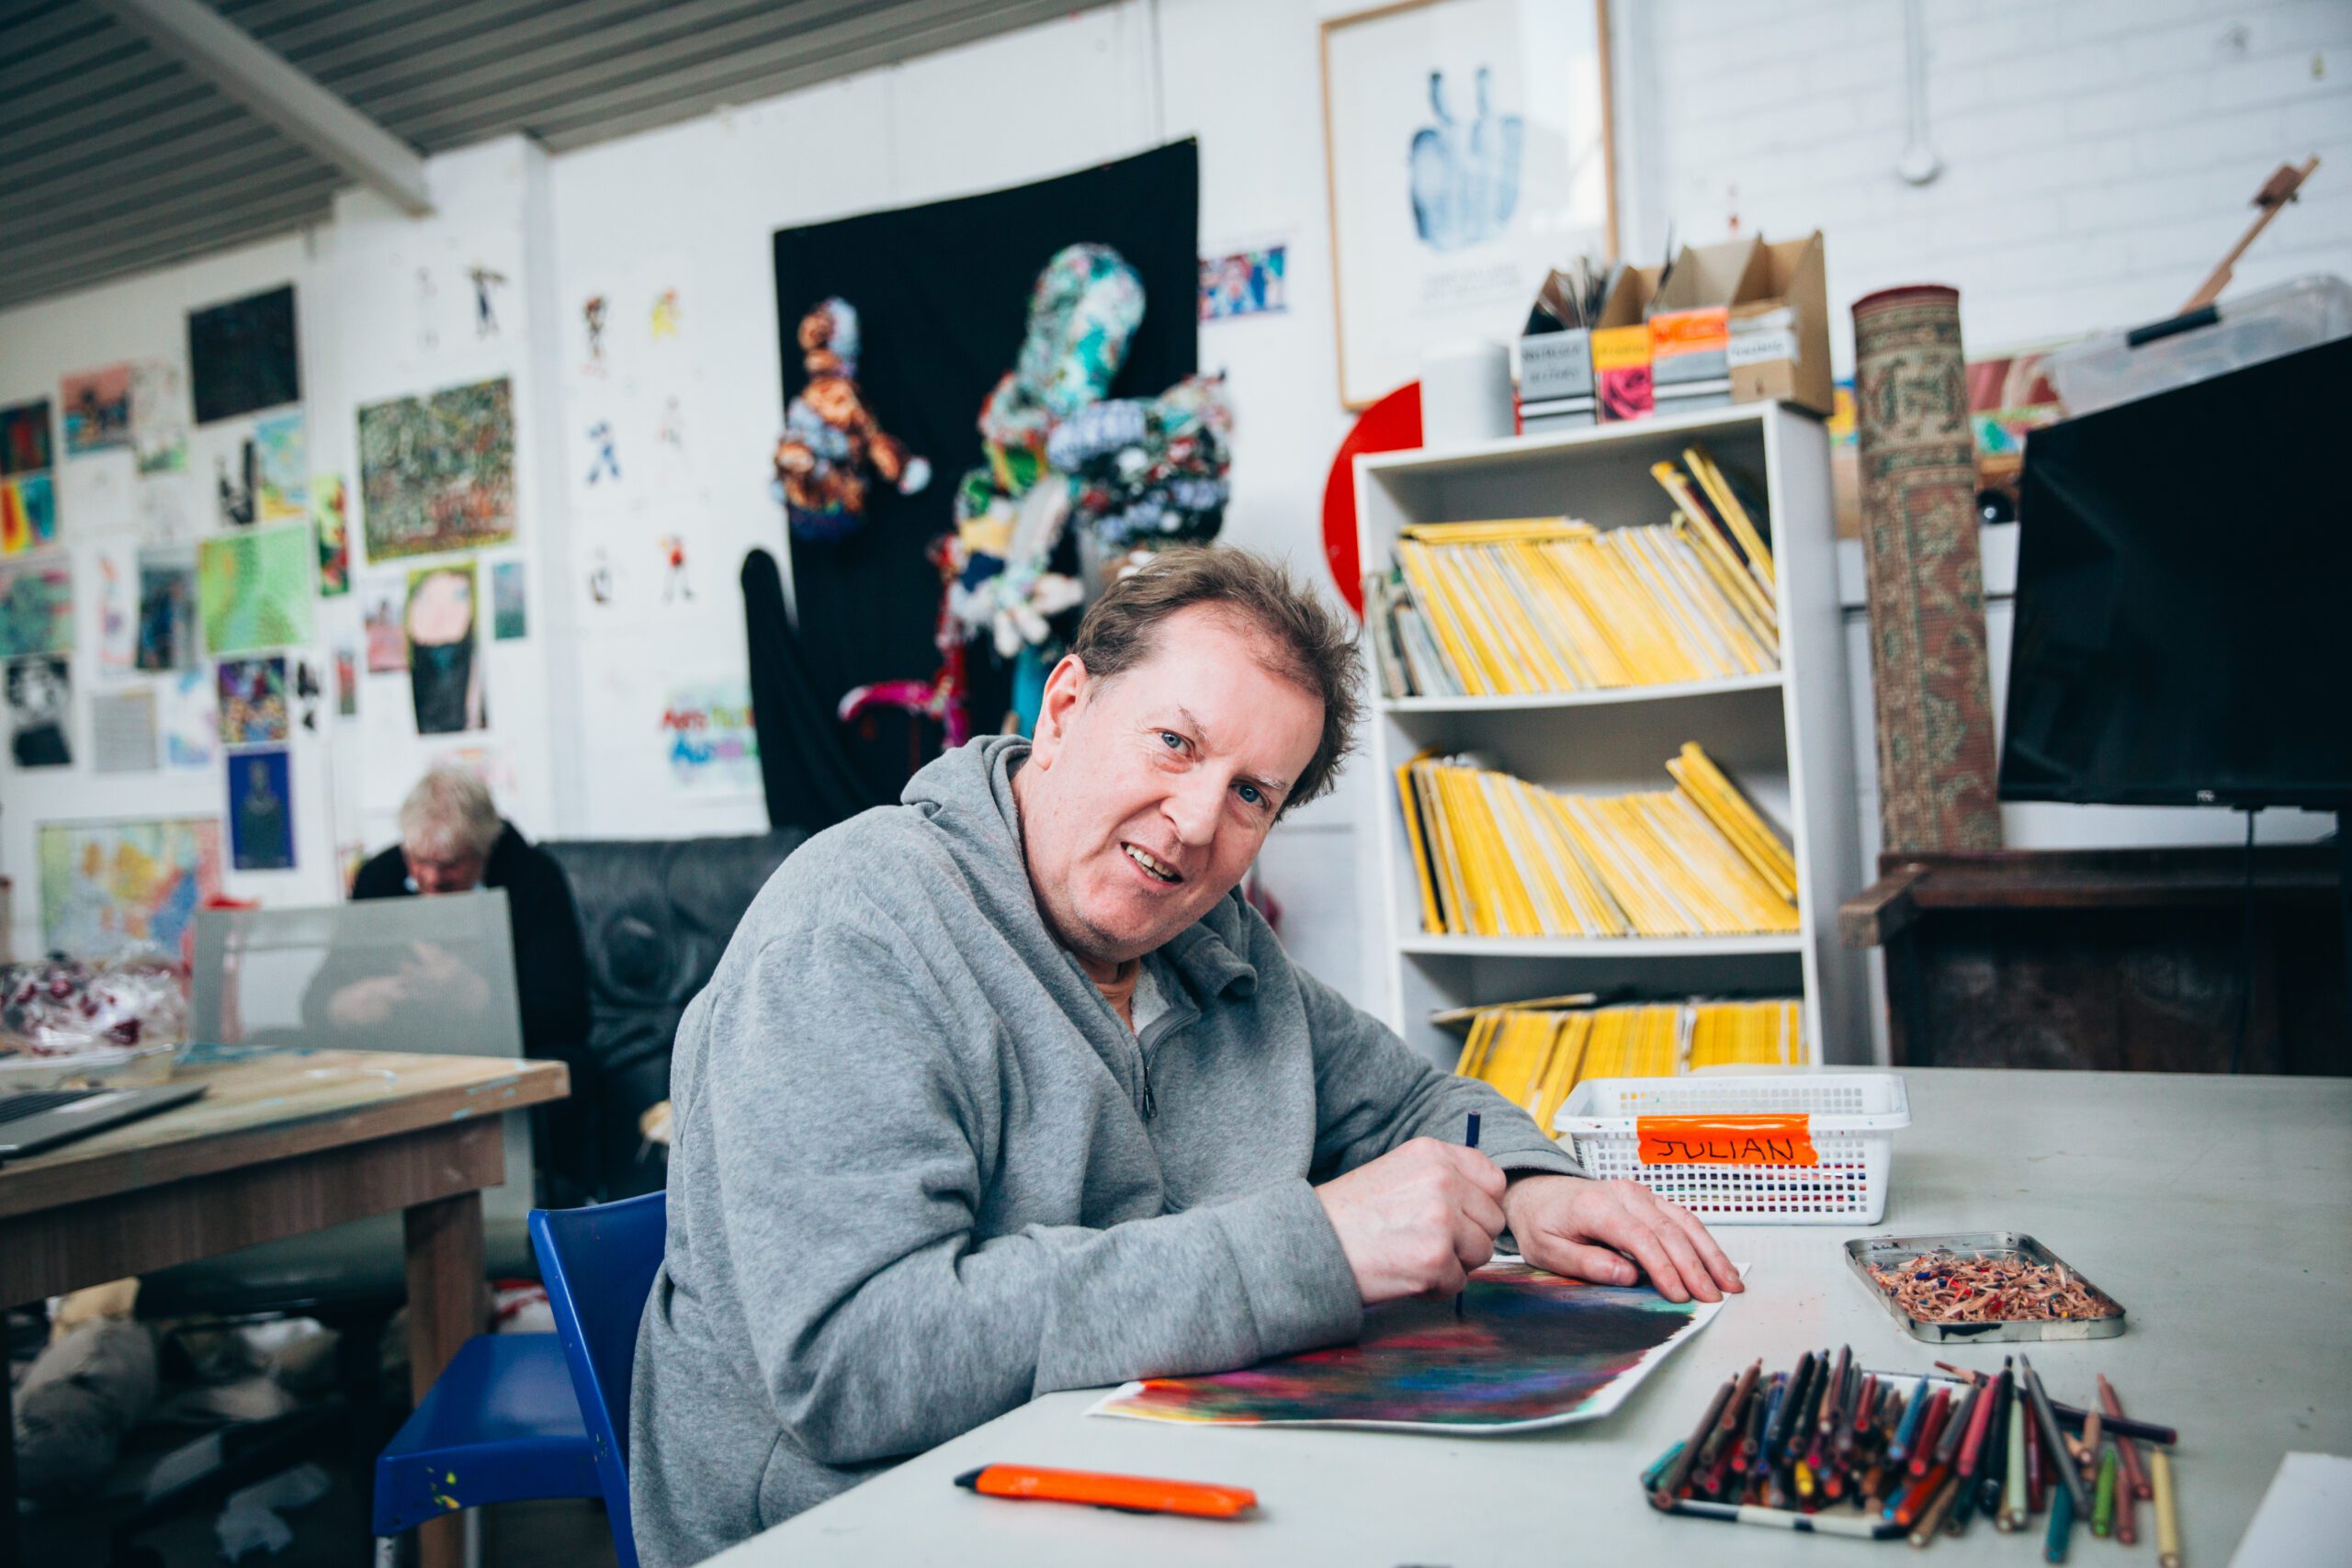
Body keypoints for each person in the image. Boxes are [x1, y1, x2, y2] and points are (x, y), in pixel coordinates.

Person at [632, 549, 1742, 1564]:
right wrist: (1315, 1249)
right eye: (1175, 743)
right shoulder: (854, 928)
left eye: (1252, 795)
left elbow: (1410, 1101)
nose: (1198, 822)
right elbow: (854, 1361)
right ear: (1065, 708)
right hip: (867, 1528)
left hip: (1154, 1479)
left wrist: (1531, 1186)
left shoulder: (1210, 942)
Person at [326, 768, 594, 1195]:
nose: (432, 878)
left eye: (450, 865)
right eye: (419, 862)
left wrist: (478, 996)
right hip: (402, 1057)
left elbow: (567, 1013)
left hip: (504, 1059)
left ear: (484, 851)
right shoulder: (380, 876)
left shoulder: (533, 877)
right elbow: (318, 995)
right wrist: (343, 1004)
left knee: (570, 1068)